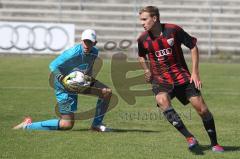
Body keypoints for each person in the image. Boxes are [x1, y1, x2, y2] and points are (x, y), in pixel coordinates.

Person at [137, 6, 224, 152]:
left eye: (144, 19)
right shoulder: (142, 39)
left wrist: (195, 73)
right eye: (141, 20)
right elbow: (141, 55)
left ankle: (215, 143)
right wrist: (146, 70)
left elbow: (193, 46)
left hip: (182, 77)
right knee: (161, 100)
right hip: (161, 80)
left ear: (155, 18)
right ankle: (189, 138)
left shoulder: (173, 30)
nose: (142, 23)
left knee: (202, 110)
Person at [13, 29, 112, 132]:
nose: (86, 45)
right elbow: (52, 65)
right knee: (67, 124)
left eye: (90, 42)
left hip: (78, 81)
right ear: (81, 41)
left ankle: (96, 125)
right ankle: (28, 125)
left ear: (95, 43)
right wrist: (62, 78)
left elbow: (88, 69)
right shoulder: (72, 53)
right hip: (63, 86)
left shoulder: (95, 52)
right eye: (85, 41)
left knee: (107, 92)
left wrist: (87, 81)